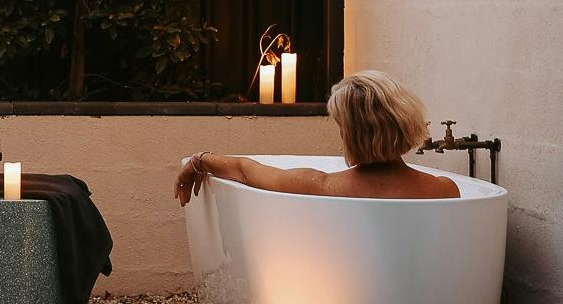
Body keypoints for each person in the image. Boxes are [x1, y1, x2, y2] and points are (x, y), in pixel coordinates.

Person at [174, 70, 460, 204]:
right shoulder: (445, 191)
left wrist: (197, 161)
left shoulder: (323, 187)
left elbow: (245, 170)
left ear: (352, 133)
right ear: (404, 121)